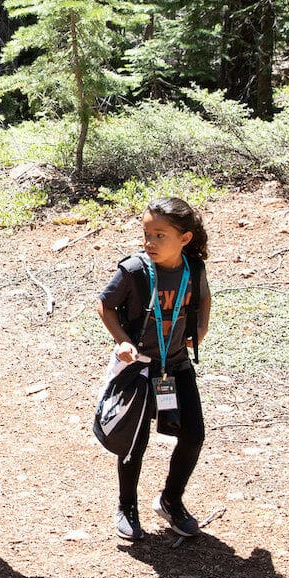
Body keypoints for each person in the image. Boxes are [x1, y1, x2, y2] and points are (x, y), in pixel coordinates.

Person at [96, 197, 212, 540]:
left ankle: (171, 501)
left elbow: (204, 297)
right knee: (134, 440)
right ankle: (127, 507)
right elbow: (105, 304)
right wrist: (122, 341)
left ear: (185, 239)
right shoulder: (134, 271)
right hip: (142, 368)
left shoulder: (194, 269)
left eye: (160, 235)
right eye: (146, 234)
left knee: (193, 436)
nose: (150, 242)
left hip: (176, 365)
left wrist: (200, 328)